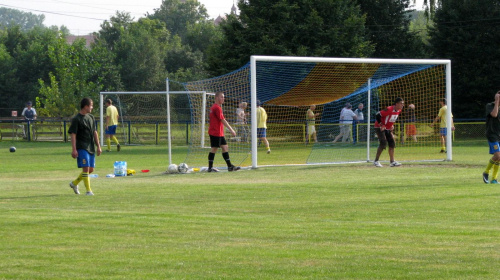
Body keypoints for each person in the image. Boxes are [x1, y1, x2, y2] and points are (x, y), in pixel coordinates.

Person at [68, 97, 102, 195]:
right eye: (91, 105)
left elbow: (94, 132)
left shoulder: (91, 117)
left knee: (91, 169)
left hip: (90, 146)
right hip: (81, 147)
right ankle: (88, 191)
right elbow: (73, 135)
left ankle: (74, 183)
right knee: (86, 168)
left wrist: (98, 146)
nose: (92, 107)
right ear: (86, 106)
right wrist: (74, 149)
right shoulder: (76, 119)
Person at [207, 92, 241, 172]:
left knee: (225, 147)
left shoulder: (216, 107)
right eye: (221, 97)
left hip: (219, 132)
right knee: (214, 149)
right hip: (215, 132)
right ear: (216, 98)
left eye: (223, 97)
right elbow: (222, 120)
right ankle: (210, 168)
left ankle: (230, 166)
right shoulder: (216, 108)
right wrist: (231, 129)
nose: (223, 99)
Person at [373, 97, 405, 167]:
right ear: (396, 104)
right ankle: (376, 161)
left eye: (403, 104)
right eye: (401, 103)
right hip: (379, 127)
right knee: (383, 142)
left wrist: (392, 126)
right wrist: (381, 125)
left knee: (392, 143)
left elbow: (391, 119)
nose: (402, 105)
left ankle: (392, 162)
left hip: (387, 128)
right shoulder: (389, 109)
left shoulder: (399, 111)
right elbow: (378, 114)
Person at [483, 91, 500, 184]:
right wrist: (497, 102)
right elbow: (494, 114)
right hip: (492, 134)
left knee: (499, 157)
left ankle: (494, 179)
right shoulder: (490, 105)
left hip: (499, 135)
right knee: (498, 155)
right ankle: (486, 172)